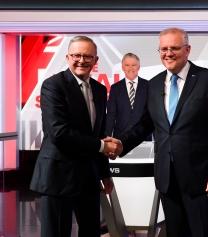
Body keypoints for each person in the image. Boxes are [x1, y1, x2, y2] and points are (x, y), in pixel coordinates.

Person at [115, 28, 208, 237]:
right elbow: (145, 124)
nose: (168, 53)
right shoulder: (153, 85)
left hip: (202, 181)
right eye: (164, 49)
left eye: (174, 48)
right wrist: (120, 144)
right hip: (167, 180)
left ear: (187, 50)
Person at [30, 36, 122, 237]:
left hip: (88, 178)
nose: (82, 60)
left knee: (90, 232)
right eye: (77, 55)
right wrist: (101, 146)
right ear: (67, 57)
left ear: (96, 60)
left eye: (88, 56)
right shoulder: (53, 85)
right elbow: (58, 133)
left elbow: (98, 134)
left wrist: (105, 174)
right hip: (58, 177)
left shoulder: (98, 89)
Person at [106, 53, 151, 141]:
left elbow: (153, 114)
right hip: (120, 138)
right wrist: (107, 137)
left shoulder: (148, 85)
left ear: (139, 67)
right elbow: (111, 115)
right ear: (123, 67)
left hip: (143, 137)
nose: (130, 68)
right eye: (127, 65)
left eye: (134, 65)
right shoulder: (115, 88)